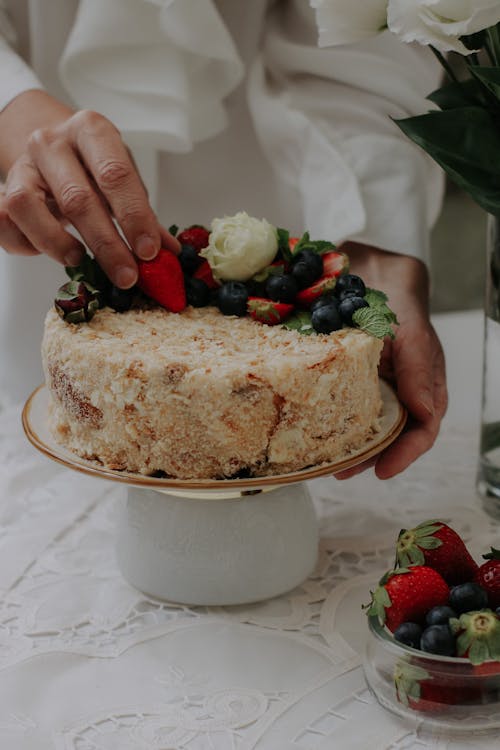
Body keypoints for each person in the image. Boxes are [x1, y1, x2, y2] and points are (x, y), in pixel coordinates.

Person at [0, 0, 447, 479]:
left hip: (273, 184)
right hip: (41, 193)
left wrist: (376, 249)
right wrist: (14, 108)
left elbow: (357, 44)